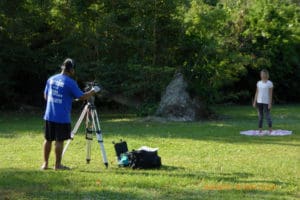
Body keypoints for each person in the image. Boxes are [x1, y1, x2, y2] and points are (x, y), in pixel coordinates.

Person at [41, 58, 100, 170]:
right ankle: (58, 166)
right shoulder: (70, 83)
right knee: (59, 140)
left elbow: (46, 96)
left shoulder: (51, 79)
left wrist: (62, 100)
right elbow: (82, 96)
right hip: (62, 117)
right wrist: (93, 91)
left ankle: (45, 164)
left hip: (49, 115)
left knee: (48, 139)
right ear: (72, 70)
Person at [253, 69, 273, 134]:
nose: (262, 75)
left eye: (263, 74)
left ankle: (270, 129)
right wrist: (254, 101)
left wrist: (270, 103)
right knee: (260, 116)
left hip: (266, 102)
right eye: (261, 74)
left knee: (267, 116)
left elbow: (270, 94)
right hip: (259, 101)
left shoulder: (270, 83)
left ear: (266, 75)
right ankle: (260, 130)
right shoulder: (258, 83)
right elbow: (257, 92)